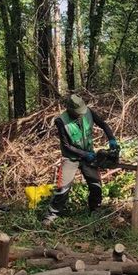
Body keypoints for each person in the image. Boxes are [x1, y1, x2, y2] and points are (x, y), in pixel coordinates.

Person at [43, 94, 118, 225]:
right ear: (70, 110)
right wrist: (84, 154)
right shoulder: (61, 121)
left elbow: (103, 124)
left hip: (89, 155)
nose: (80, 114)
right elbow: (66, 145)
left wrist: (112, 139)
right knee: (63, 187)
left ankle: (95, 209)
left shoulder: (88, 112)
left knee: (95, 185)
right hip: (71, 157)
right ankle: (52, 214)